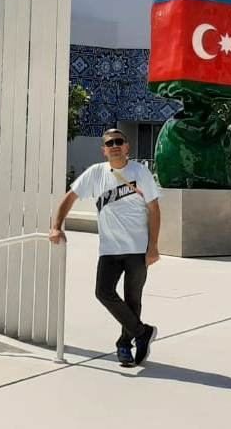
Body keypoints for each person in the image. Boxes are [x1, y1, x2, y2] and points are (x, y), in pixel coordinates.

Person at [49, 128, 161, 367]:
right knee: (103, 292)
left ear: (127, 146)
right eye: (110, 143)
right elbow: (68, 198)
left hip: (137, 248)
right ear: (104, 150)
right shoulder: (95, 173)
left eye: (119, 142)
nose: (115, 146)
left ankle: (124, 346)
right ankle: (142, 333)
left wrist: (153, 246)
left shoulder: (140, 172)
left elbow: (154, 209)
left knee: (133, 299)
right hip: (109, 249)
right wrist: (56, 226)